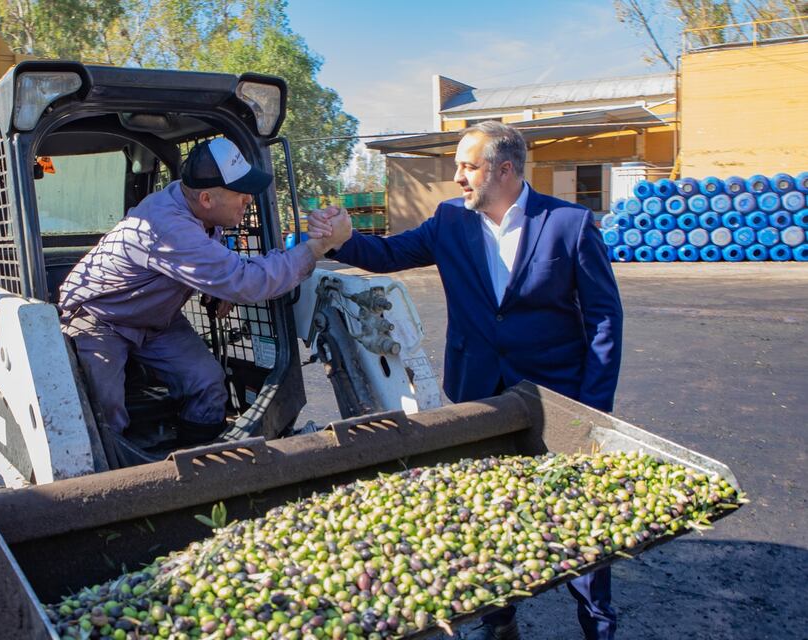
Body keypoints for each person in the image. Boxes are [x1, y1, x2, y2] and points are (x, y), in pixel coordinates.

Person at [308, 121, 622, 640]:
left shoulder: (568, 223)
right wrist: (343, 240)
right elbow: (390, 255)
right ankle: (498, 620)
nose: (457, 177)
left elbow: (604, 318)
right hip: (478, 393)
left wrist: (595, 406)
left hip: (556, 399)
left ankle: (597, 623)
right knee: (486, 512)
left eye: (467, 167)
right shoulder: (450, 220)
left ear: (504, 169)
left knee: (574, 515)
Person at [58, 137, 351, 445]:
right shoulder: (166, 225)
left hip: (157, 319)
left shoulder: (198, 209)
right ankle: (114, 482)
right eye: (240, 192)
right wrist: (318, 247)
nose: (249, 199)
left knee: (208, 383)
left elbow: (216, 262)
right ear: (208, 199)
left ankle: (198, 464)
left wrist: (218, 285)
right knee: (102, 410)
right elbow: (245, 281)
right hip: (101, 318)